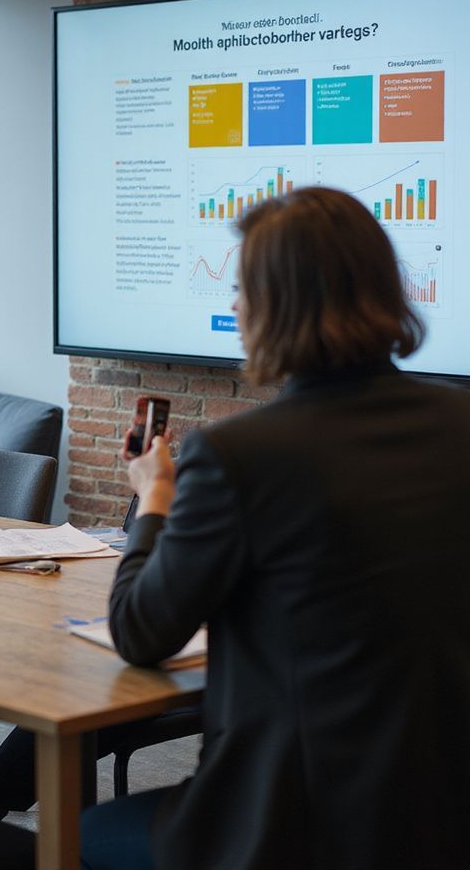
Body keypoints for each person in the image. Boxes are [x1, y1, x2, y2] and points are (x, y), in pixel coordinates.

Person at [81, 187, 470, 869]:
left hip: (289, 824)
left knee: (75, 832)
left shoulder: (240, 456)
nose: (233, 305)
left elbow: (142, 632)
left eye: (242, 289)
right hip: (440, 810)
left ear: (277, 306)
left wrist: (155, 498)